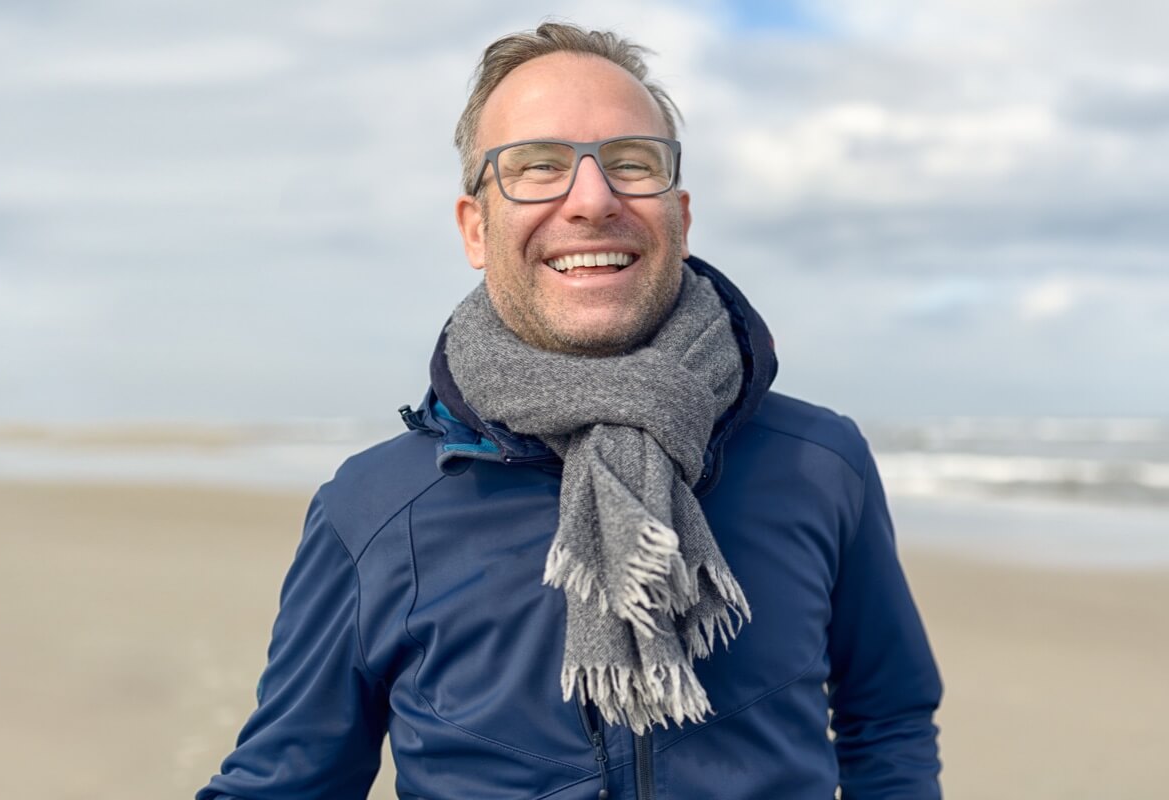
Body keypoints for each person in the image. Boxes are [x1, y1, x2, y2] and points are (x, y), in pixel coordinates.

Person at [198, 22, 941, 800]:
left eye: (630, 163)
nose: (592, 199)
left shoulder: (820, 464)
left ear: (680, 217)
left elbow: (887, 719)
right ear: (475, 229)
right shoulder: (376, 510)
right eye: (537, 167)